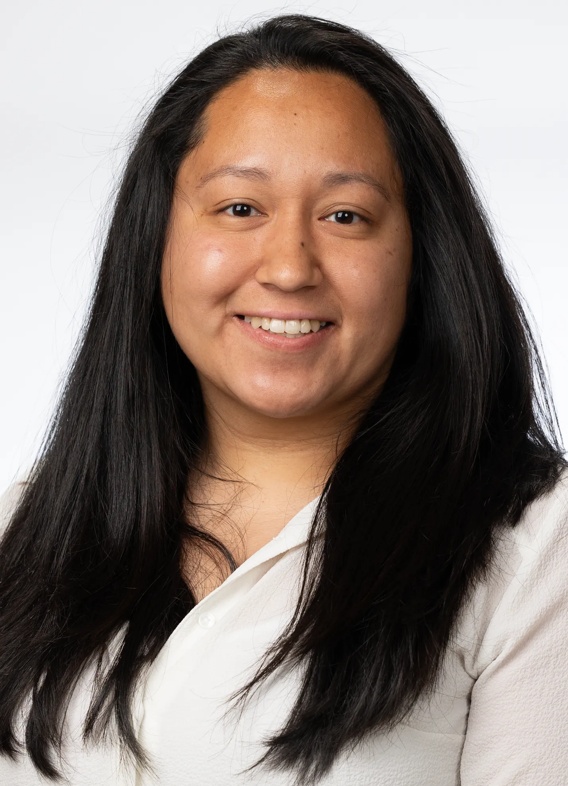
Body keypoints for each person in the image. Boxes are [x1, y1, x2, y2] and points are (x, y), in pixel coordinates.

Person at [0, 13, 566, 786]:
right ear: (154, 238)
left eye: (345, 216)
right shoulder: (27, 530)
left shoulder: (534, 546)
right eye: (240, 208)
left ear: (421, 256)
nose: (290, 267)